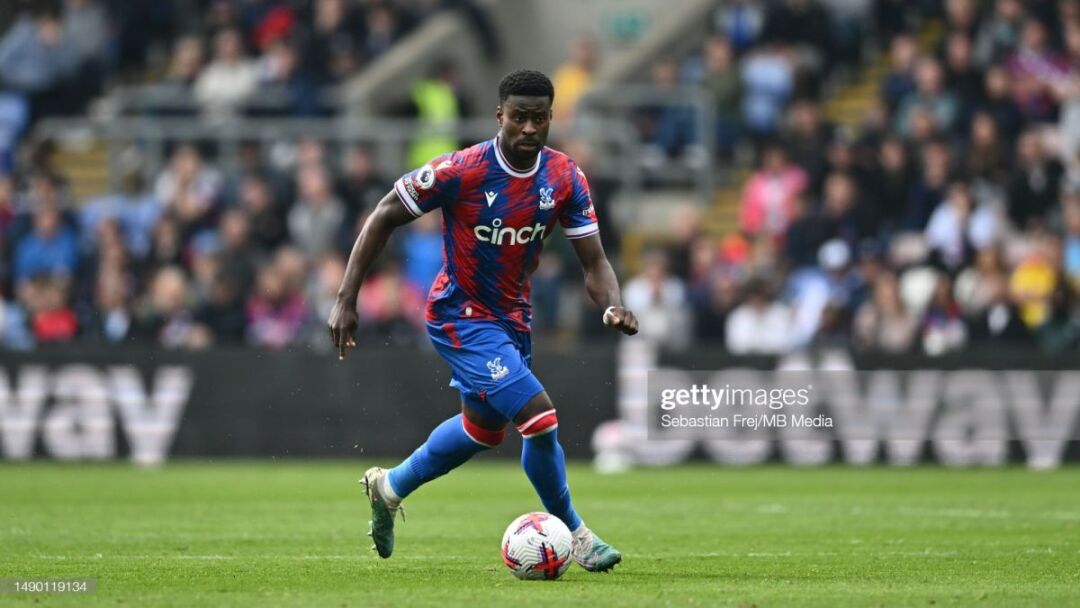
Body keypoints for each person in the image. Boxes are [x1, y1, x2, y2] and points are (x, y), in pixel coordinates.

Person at [327, 70, 638, 572]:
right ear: (500, 116)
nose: (529, 128)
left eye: (539, 118)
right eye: (519, 117)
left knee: (482, 430)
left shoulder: (564, 177)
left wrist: (612, 303)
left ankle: (389, 487)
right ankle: (578, 535)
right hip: (460, 314)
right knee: (539, 418)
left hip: (512, 318)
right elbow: (384, 213)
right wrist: (346, 298)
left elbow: (595, 261)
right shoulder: (461, 170)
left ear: (551, 118)